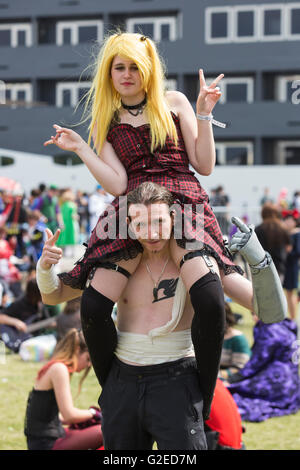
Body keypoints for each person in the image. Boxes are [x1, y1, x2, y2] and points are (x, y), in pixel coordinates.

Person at [42, 32, 285, 420]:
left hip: (183, 202)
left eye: (134, 66)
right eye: (118, 67)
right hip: (134, 210)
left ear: (149, 69)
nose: (126, 74)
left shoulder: (174, 102)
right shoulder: (105, 118)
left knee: (211, 297)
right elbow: (118, 185)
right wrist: (82, 149)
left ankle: (202, 399)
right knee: (92, 305)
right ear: (108, 72)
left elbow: (204, 165)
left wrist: (204, 112)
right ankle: (114, 393)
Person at [37, 183, 286, 450]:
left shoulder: (198, 261)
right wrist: (45, 266)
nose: (151, 233)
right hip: (123, 381)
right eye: (141, 224)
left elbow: (271, 310)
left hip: (179, 379)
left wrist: (258, 259)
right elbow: (53, 295)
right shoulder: (117, 263)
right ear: (130, 224)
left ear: (174, 218)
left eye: (158, 221)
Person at [24, 328, 103, 450]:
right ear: (77, 350)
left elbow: (54, 417)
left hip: (46, 437)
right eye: (88, 359)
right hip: (47, 443)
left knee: (99, 428)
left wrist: (88, 418)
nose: (88, 365)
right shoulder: (59, 369)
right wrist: (93, 413)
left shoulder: (55, 367)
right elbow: (69, 415)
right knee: (106, 431)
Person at [226, 316, 300, 423]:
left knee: (232, 394)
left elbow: (258, 360)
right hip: (293, 385)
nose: (253, 317)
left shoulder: (269, 329)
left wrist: (233, 379)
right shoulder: (285, 324)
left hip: (278, 383)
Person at [255, 203, 291, 282]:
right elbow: (288, 248)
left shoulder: (258, 229)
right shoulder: (282, 228)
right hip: (279, 265)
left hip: (262, 266)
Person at [219, 303, 251, 381]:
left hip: (230, 380)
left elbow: (240, 368)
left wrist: (218, 375)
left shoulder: (237, 339)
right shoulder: (206, 335)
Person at [282, 209, 300, 320]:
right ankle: (290, 316)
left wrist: (288, 251)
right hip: (284, 265)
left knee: (290, 292)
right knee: (285, 293)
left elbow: (298, 251)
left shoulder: (297, 233)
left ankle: (293, 317)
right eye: (286, 220)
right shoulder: (285, 233)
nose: (288, 222)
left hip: (292, 266)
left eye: (290, 220)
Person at [57, 189, 79, 257]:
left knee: (65, 237)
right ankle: (72, 252)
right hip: (72, 223)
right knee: (73, 237)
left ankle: (65, 252)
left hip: (64, 223)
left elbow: (60, 214)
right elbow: (74, 215)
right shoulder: (73, 205)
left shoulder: (63, 205)